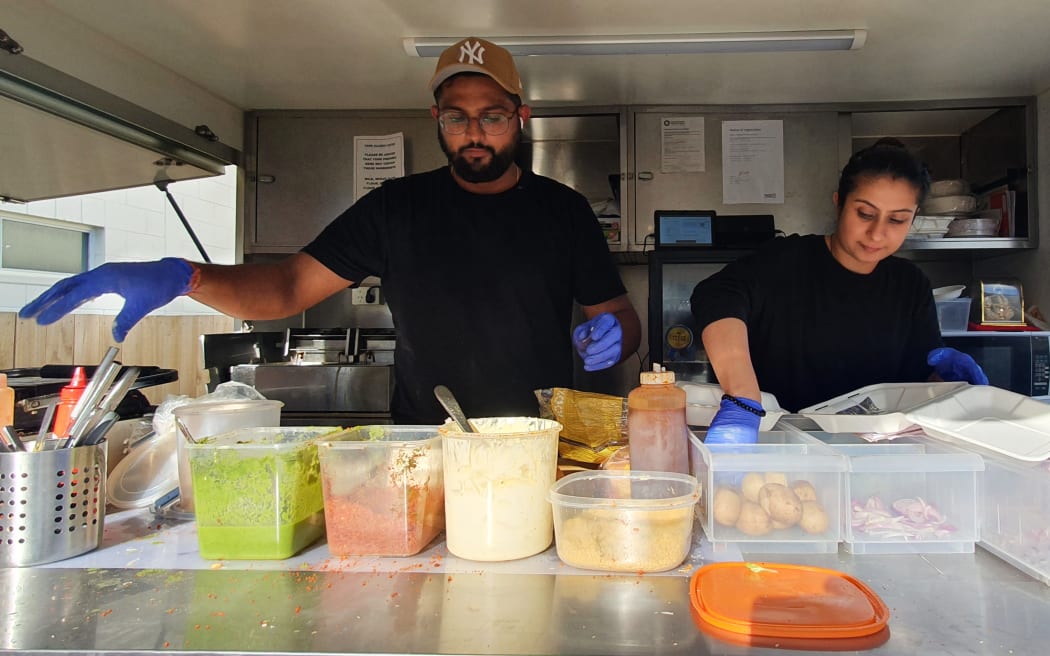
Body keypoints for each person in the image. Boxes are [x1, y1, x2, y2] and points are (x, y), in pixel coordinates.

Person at [19, 36, 641, 424]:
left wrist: (613, 331)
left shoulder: (563, 210)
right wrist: (188, 276)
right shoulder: (396, 208)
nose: (475, 133)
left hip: (543, 435)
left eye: (493, 116)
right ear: (437, 120)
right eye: (457, 118)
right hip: (428, 437)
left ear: (521, 117)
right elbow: (287, 288)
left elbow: (616, 312)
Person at [690, 138, 987, 444]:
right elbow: (714, 295)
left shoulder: (909, 285)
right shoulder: (785, 262)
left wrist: (948, 386)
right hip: (778, 448)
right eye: (865, 214)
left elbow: (915, 381)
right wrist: (743, 399)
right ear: (839, 202)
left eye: (897, 220)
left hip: (874, 460)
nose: (877, 233)